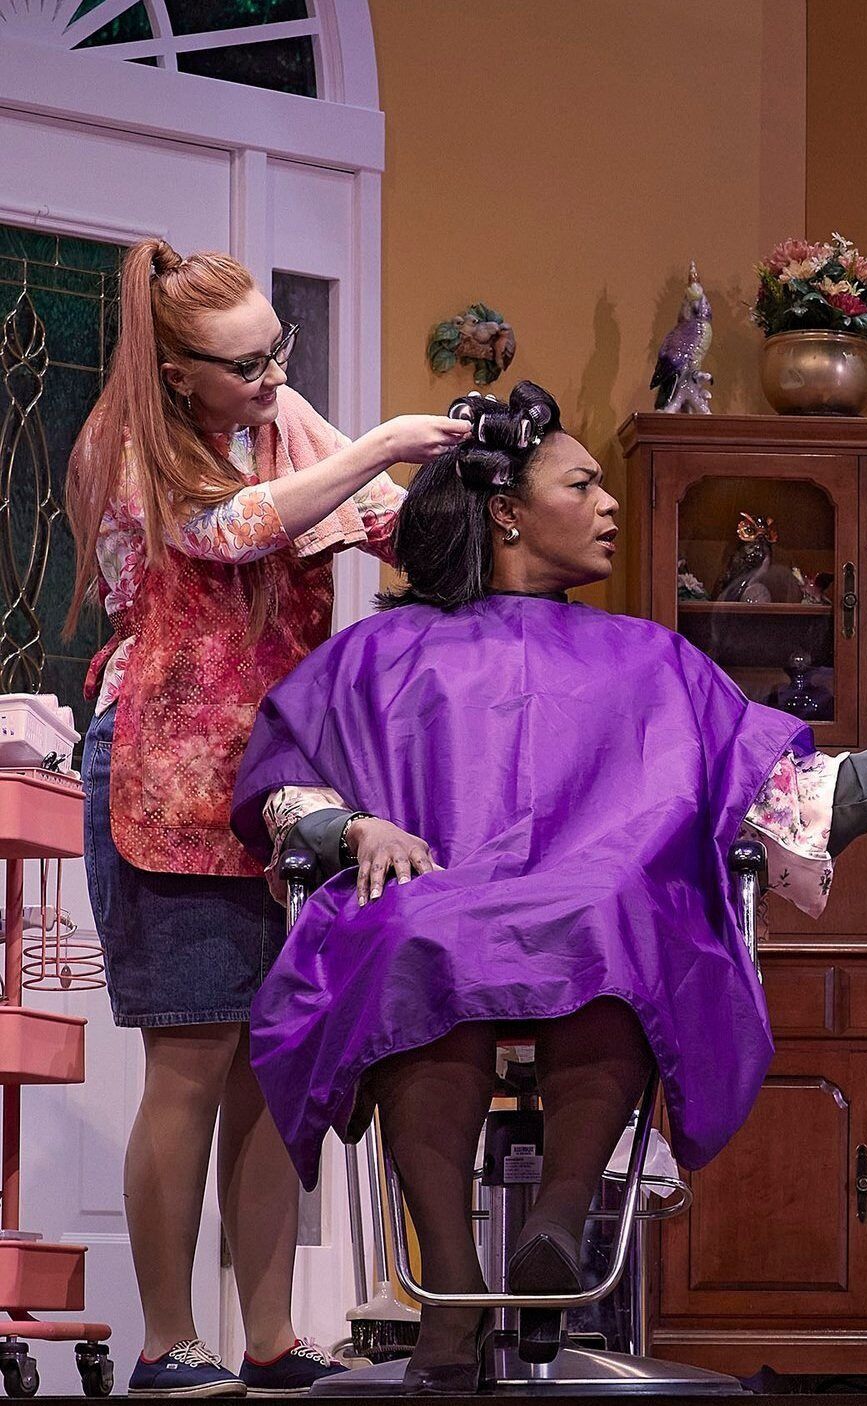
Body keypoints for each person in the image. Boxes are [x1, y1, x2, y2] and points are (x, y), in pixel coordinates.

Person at [229, 382, 867, 1394]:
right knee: (429, 933)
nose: (611, 503)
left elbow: (783, 799)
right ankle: (450, 1284)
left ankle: (556, 1219)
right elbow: (286, 783)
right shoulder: (374, 654)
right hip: (431, 909)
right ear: (505, 512)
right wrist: (352, 823)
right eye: (583, 484)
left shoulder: (655, 657)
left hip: (593, 924)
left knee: (616, 915)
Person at [65, 240, 471, 1397]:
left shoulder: (277, 418)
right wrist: (380, 441)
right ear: (176, 365)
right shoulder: (129, 442)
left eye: (277, 352)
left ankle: (272, 1335)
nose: (270, 379)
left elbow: (388, 519)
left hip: (282, 775)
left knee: (267, 1065)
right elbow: (227, 530)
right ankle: (162, 1340)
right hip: (164, 769)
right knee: (189, 1060)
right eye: (245, 365)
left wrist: (454, 475)